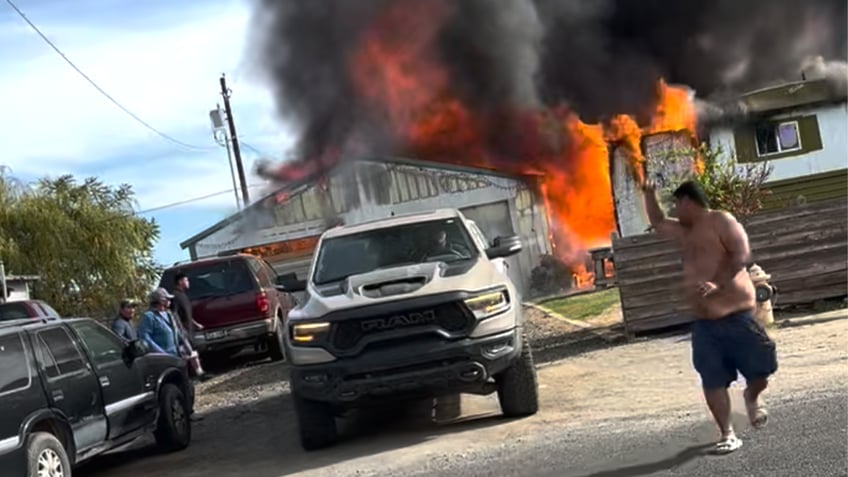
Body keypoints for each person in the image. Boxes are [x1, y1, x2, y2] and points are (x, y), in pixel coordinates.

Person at [640, 179, 778, 455]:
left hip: (737, 316)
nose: (675, 212)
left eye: (676, 205)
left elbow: (741, 255)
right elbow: (657, 221)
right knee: (711, 378)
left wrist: (718, 283)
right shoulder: (684, 232)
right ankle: (727, 433)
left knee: (762, 371)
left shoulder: (721, 221)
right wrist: (649, 193)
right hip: (705, 324)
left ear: (687, 202)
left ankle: (751, 396)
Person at [136, 288, 181, 357]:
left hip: (175, 355)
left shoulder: (169, 314)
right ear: (161, 301)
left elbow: (178, 333)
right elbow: (145, 338)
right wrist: (161, 353)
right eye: (167, 299)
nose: (170, 301)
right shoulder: (149, 316)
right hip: (161, 358)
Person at [170, 272, 204, 339]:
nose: (188, 282)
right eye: (186, 280)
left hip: (190, 331)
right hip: (183, 333)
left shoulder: (183, 295)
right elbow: (174, 314)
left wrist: (195, 324)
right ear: (180, 282)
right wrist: (181, 329)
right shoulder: (175, 296)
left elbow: (186, 314)